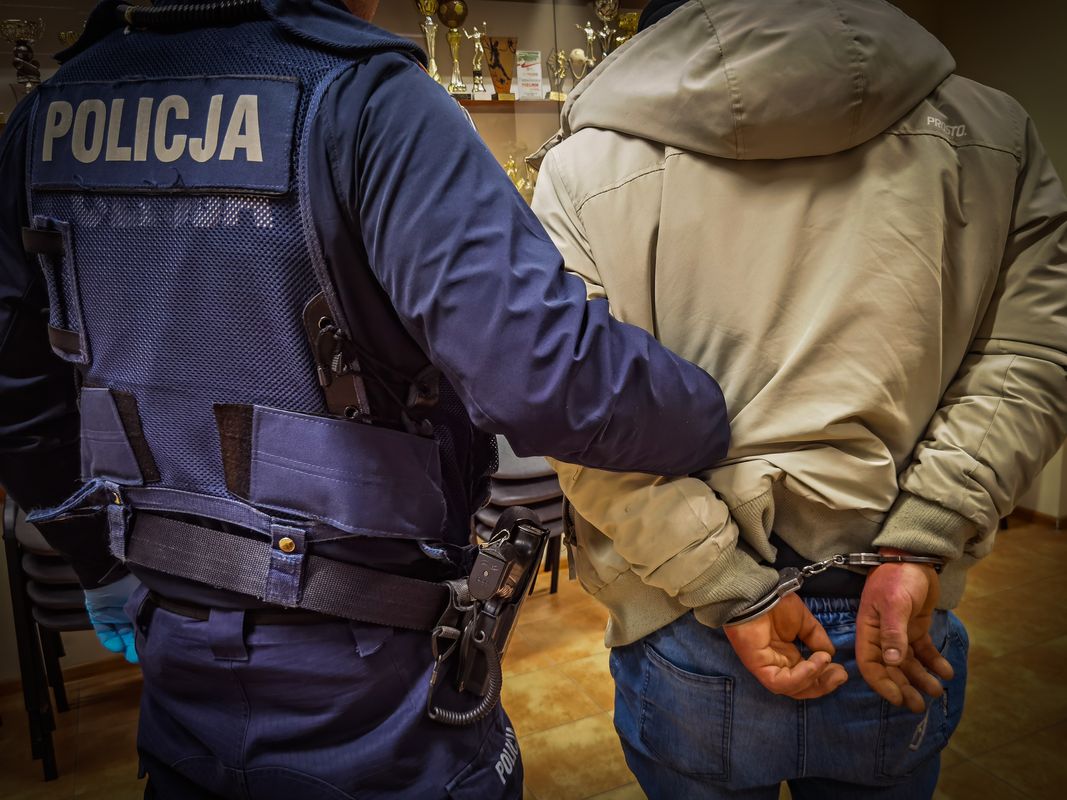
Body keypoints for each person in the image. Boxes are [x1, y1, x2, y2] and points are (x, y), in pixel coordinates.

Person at [0, 0, 733, 797]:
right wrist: (714, 418)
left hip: (175, 648)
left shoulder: (51, 113)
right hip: (370, 673)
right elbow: (544, 377)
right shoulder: (365, 97)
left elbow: (17, 395)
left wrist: (96, 562)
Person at [530, 0, 1067, 797]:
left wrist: (723, 584)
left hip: (690, 618)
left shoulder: (584, 165)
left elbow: (572, 409)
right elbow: (1030, 355)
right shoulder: (992, 135)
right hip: (893, 606)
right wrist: (923, 537)